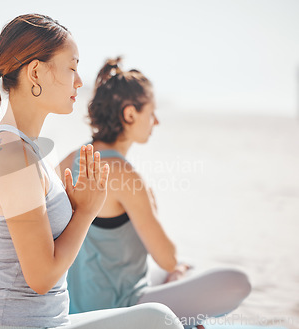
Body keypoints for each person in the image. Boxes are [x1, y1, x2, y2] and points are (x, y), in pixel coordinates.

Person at [0, 14, 184, 329]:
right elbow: (42, 277)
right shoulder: (13, 156)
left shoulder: (27, 150)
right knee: (161, 320)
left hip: (51, 321)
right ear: (35, 72)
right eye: (71, 67)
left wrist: (74, 208)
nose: (79, 81)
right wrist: (85, 212)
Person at [59, 58, 252, 328]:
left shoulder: (67, 162)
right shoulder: (124, 174)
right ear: (129, 114)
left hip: (75, 310)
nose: (156, 121)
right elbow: (167, 257)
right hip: (122, 309)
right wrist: (178, 270)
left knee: (171, 271)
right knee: (234, 281)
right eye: (151, 113)